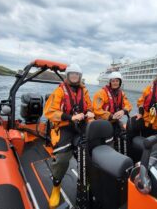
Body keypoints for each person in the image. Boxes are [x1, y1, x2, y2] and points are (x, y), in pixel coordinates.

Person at [44, 63, 94, 208]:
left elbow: (89, 106)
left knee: (88, 153)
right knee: (62, 159)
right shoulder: (59, 91)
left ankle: (85, 182)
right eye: (71, 74)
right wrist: (69, 117)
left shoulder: (84, 91)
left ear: (79, 77)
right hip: (65, 127)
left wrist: (90, 112)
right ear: (68, 76)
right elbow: (49, 112)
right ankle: (56, 187)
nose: (74, 76)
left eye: (76, 74)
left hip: (81, 126)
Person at [93, 72, 132, 150]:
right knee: (109, 143)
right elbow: (97, 110)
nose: (115, 83)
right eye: (113, 81)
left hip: (115, 122)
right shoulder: (101, 93)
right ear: (110, 82)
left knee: (127, 136)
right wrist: (110, 115)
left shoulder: (122, 94)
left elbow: (129, 105)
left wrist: (123, 111)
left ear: (120, 82)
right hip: (103, 123)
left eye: (117, 81)